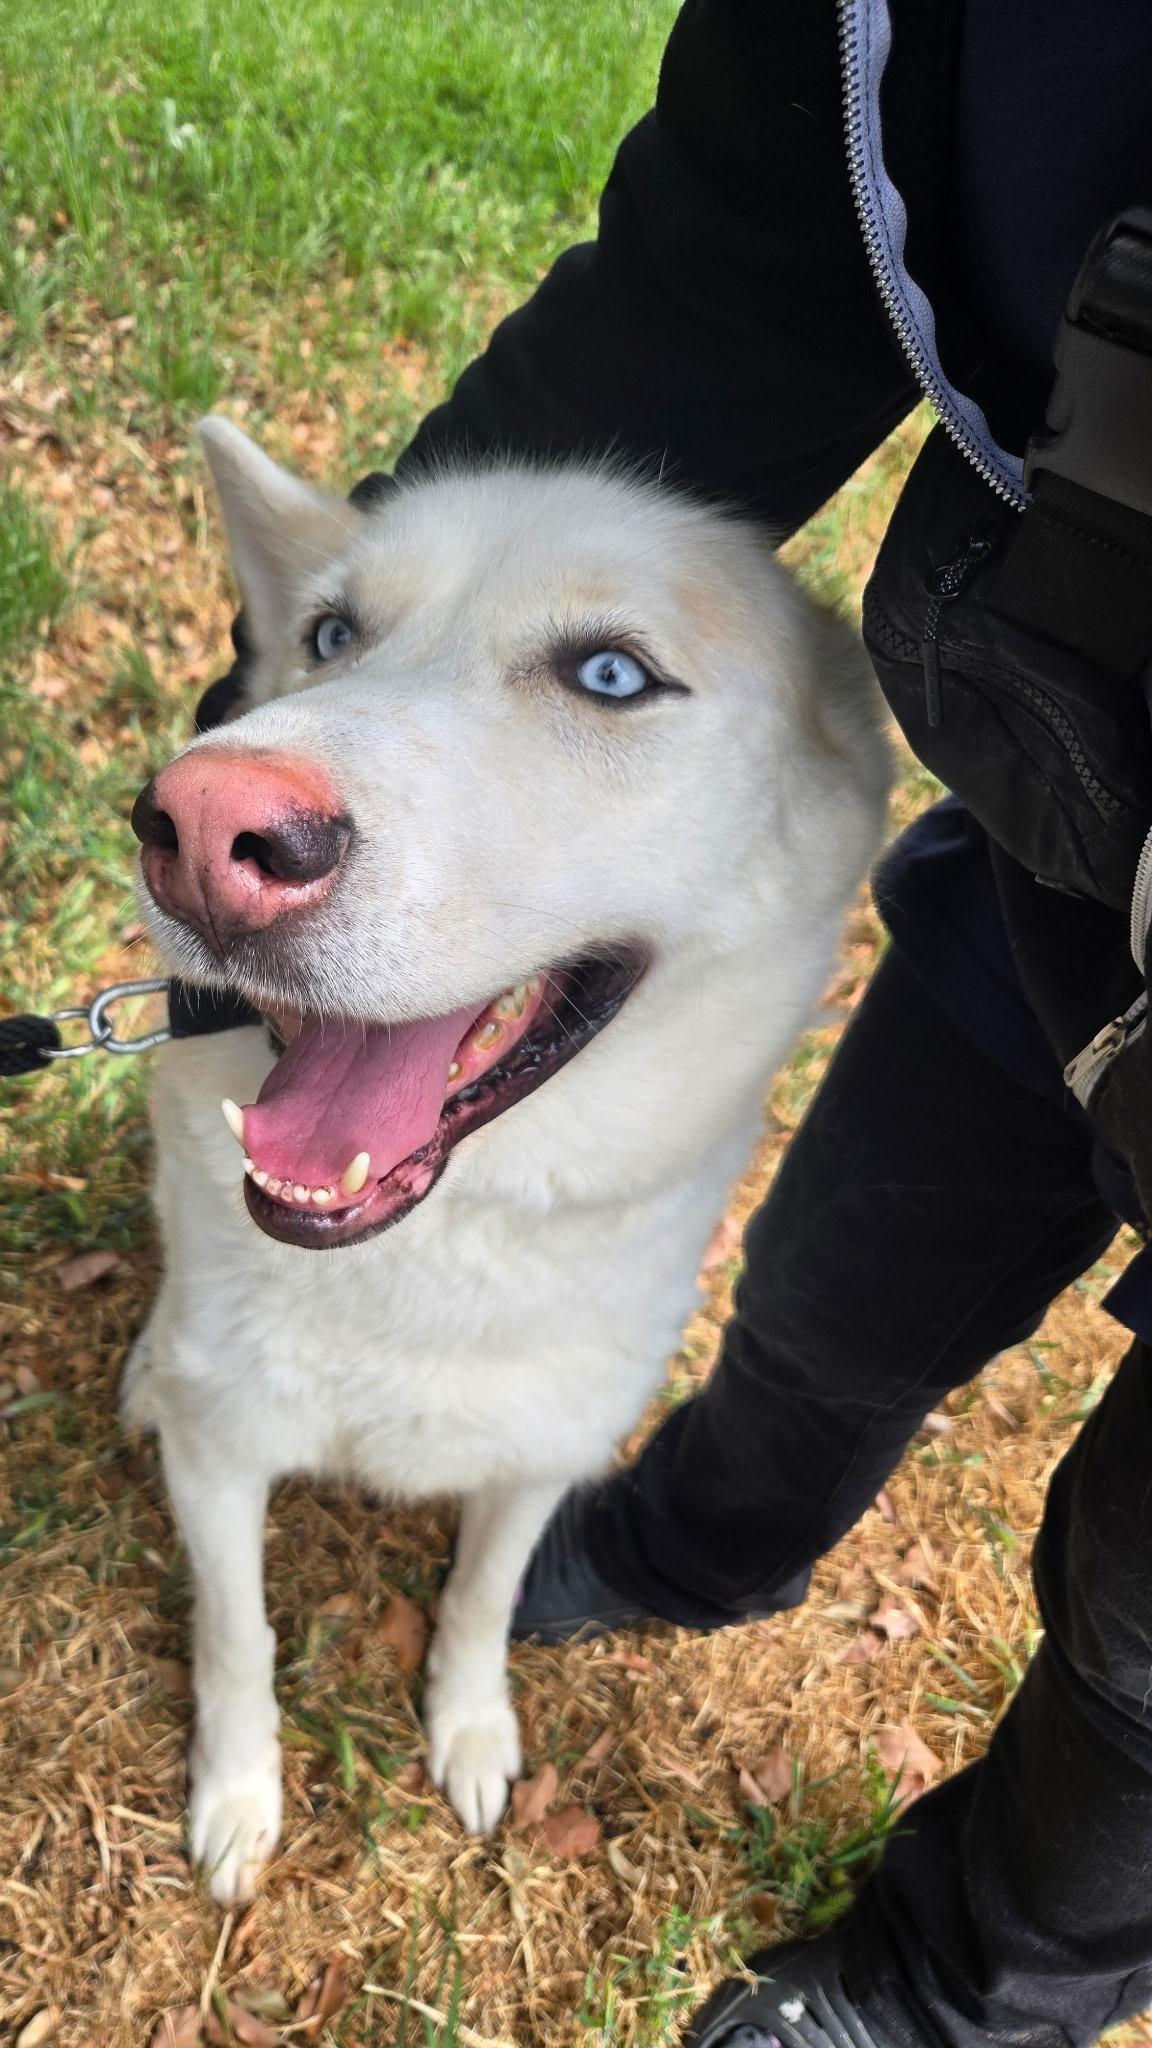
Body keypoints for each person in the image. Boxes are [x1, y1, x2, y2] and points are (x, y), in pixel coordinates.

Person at [186, 5, 1152, 2042]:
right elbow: (711, 285)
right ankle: (698, 1539)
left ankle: (953, 1989)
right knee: (836, 1274)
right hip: (1066, 778)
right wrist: (293, 728)